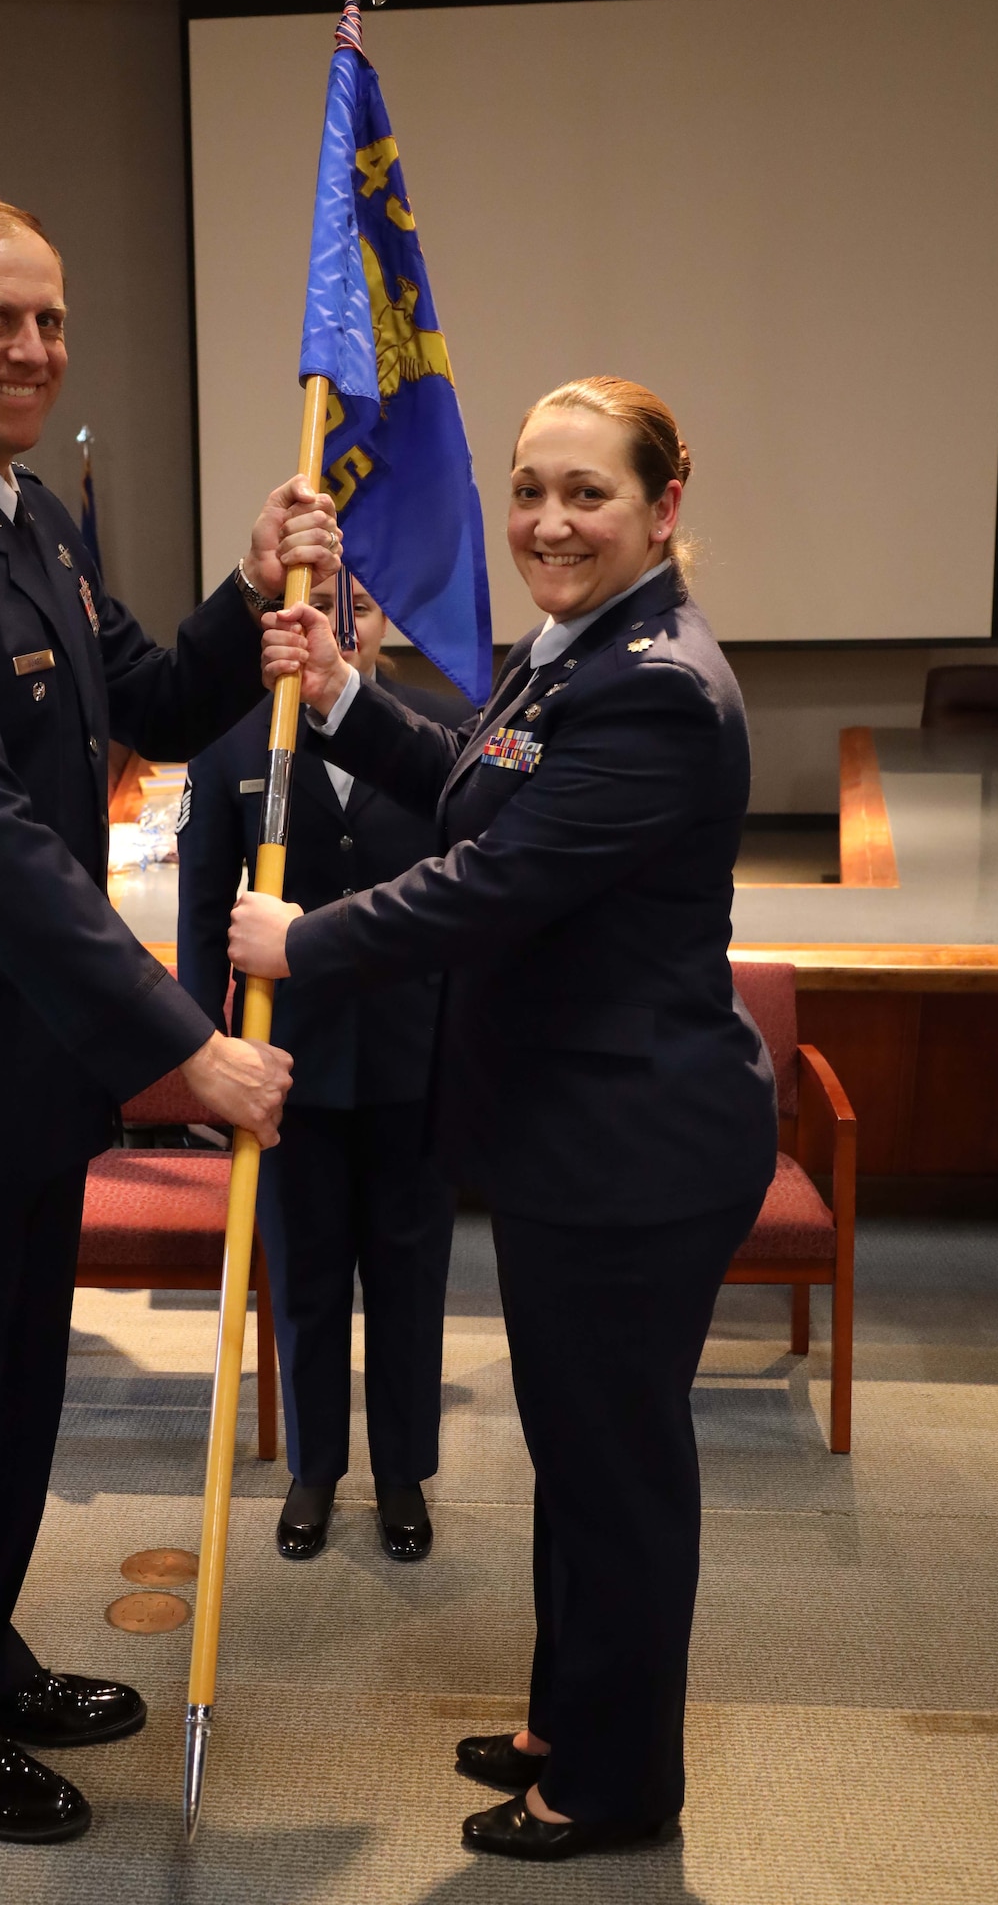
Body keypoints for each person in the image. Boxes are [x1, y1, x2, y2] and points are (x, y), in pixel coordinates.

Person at [0, 194, 341, 1846]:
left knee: (13, 1401)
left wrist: (247, 597)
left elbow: (148, 708)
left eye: (49, 320)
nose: (29, 348)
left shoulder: (24, 521)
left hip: (16, 1066)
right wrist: (179, 1047)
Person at [230, 377, 778, 1865]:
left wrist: (307, 940)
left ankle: (613, 1786)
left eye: (585, 493)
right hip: (572, 1140)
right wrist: (347, 703)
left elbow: (491, 886)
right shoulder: (575, 654)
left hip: (631, 1150)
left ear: (662, 506)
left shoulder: (657, 682)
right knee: (578, 1458)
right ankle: (567, 1718)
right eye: (529, 487)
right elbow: (482, 791)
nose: (545, 519)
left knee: (614, 1475)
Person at [177, 574, 471, 1566]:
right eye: (327, 598)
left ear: (388, 619)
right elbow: (200, 916)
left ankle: (400, 1470)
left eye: (366, 601)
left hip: (412, 1053)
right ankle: (312, 1465)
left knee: (406, 1271)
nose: (345, 617)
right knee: (301, 1276)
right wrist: (198, 1051)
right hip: (284, 1061)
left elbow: (473, 903)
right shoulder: (232, 739)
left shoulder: (442, 730)